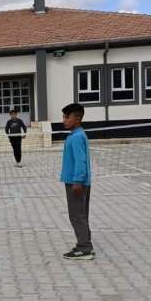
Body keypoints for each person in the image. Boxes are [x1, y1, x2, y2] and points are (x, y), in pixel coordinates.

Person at [60, 103, 93, 260]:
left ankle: (84, 248)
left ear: (77, 118)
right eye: (64, 117)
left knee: (76, 215)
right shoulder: (76, 135)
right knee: (81, 214)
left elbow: (81, 161)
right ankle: (86, 243)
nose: (64, 120)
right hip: (75, 181)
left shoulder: (78, 137)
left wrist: (78, 181)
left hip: (77, 183)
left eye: (67, 117)